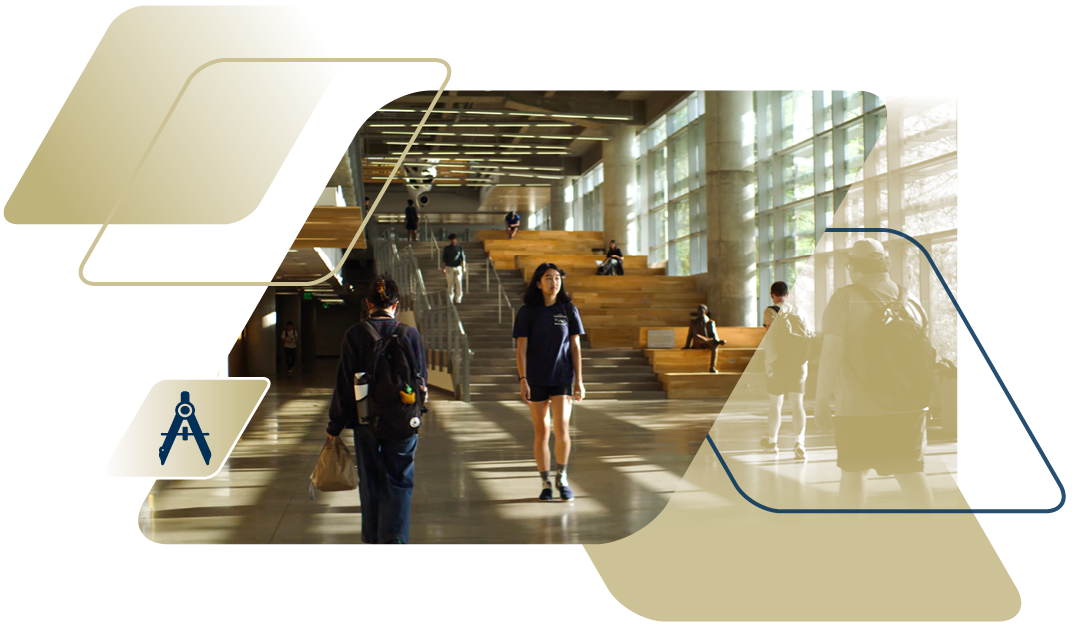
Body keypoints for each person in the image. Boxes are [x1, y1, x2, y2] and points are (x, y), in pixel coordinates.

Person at [814, 238, 935, 509]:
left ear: (851, 266)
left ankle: (850, 542)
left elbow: (832, 353)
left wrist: (821, 402)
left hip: (858, 408)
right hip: (909, 405)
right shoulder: (912, 300)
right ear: (885, 265)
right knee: (911, 473)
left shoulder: (844, 299)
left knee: (853, 473)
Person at [326, 277, 428, 544]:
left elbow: (344, 386)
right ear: (397, 304)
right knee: (400, 479)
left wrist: (334, 427)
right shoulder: (411, 335)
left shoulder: (355, 334)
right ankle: (394, 540)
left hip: (366, 421)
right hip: (405, 420)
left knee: (370, 481)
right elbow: (421, 380)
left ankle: (372, 537)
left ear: (368, 303)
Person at [512, 263, 585, 502]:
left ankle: (561, 478)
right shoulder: (527, 312)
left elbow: (575, 347)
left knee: (562, 428)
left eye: (557, 278)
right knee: (541, 431)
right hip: (536, 379)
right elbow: (521, 349)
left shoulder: (569, 310)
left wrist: (579, 381)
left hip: (563, 377)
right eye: (548, 278)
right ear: (538, 283)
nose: (554, 282)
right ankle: (545, 483)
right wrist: (523, 379)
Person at [761, 281, 809, 459]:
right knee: (798, 405)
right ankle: (800, 443)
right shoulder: (800, 311)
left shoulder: (770, 311)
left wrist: (768, 363)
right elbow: (807, 338)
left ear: (772, 294)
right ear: (787, 295)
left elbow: (770, 339)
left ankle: (772, 443)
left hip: (778, 363)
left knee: (776, 405)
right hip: (798, 364)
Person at [683, 305, 726, 373]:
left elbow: (714, 334)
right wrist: (687, 346)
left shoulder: (710, 322)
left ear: (705, 312)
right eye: (698, 311)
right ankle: (711, 342)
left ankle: (712, 367)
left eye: (701, 311)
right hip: (698, 343)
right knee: (697, 336)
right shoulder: (693, 322)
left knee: (714, 346)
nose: (699, 312)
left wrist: (717, 341)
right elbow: (690, 335)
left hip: (707, 344)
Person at [441, 233, 466, 305]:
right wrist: (444, 268)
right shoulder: (447, 248)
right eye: (452, 240)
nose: (453, 241)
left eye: (454, 240)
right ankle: (450, 298)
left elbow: (463, 258)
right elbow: (444, 259)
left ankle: (458, 298)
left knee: (458, 282)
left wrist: (464, 267)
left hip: (457, 267)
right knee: (450, 283)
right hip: (449, 267)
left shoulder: (459, 248)